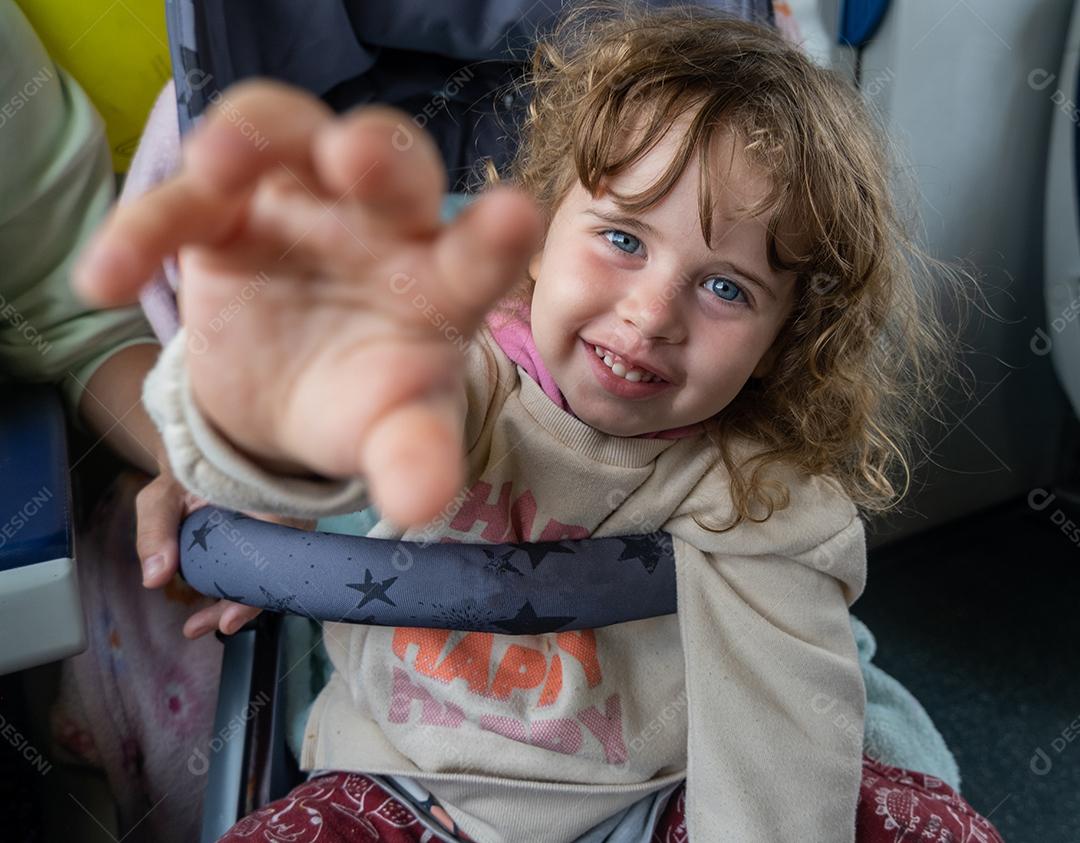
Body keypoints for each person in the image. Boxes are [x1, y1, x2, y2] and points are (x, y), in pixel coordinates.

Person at [75, 6, 1004, 843]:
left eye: (725, 287)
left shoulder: (766, 495)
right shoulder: (467, 368)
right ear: (540, 229)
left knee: (909, 820)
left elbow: (781, 753)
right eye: (622, 239)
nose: (650, 313)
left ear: (780, 337)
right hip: (403, 786)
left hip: (658, 792)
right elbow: (355, 436)